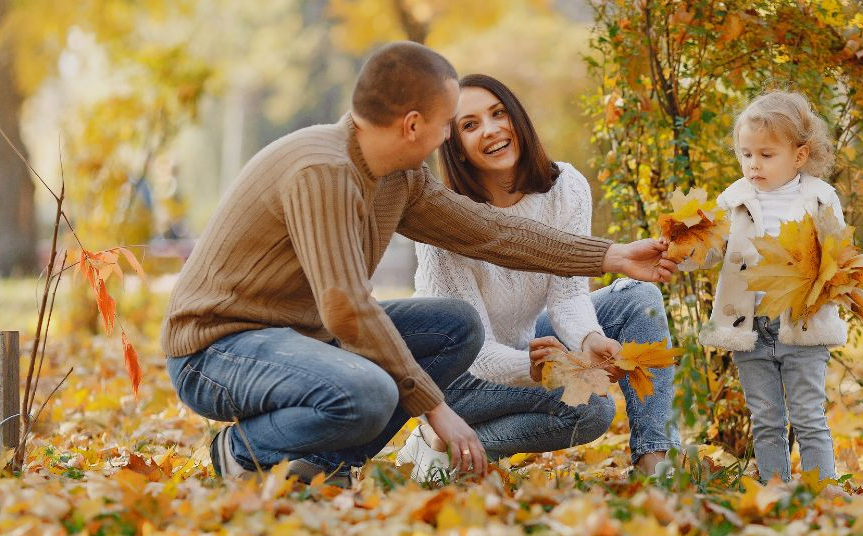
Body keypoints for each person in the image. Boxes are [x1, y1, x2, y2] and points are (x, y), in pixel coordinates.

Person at [160, 42, 676, 486]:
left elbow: (492, 233)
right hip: (218, 351)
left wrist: (609, 255)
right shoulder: (322, 170)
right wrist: (436, 409)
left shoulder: (400, 178)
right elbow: (346, 309)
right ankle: (245, 451)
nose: (450, 138)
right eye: (450, 123)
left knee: (453, 326)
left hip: (300, 340)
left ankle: (326, 464)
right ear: (413, 125)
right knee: (369, 391)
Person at [403, 74, 681, 480]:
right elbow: (476, 353)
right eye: (470, 124)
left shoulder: (565, 187)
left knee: (638, 297)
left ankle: (656, 461)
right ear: (455, 147)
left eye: (498, 114)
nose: (492, 130)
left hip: (524, 342)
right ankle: (440, 446)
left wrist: (590, 340)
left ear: (517, 117)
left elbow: (567, 296)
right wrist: (541, 369)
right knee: (593, 408)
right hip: (451, 378)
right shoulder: (445, 220)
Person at [684, 91, 845, 484]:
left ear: (800, 155)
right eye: (746, 154)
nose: (753, 164)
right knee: (766, 417)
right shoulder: (734, 198)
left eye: (766, 155)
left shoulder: (820, 199)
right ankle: (775, 489)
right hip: (749, 327)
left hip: (801, 326)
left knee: (808, 415)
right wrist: (684, 248)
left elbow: (837, 262)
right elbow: (710, 251)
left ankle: (819, 491)